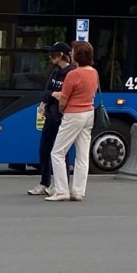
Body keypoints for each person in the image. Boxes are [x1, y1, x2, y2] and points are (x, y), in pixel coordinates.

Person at [46, 40, 100, 202]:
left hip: (73, 114)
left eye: (73, 51)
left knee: (57, 152)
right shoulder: (94, 72)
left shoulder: (73, 74)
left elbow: (64, 99)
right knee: (82, 155)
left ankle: (62, 190)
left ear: (77, 55)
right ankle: (78, 191)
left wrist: (62, 110)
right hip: (89, 113)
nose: (70, 53)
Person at [28, 42, 76, 196]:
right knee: (45, 149)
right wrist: (53, 95)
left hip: (63, 116)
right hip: (51, 115)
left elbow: (67, 95)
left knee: (62, 151)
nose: (50, 57)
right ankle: (44, 182)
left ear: (61, 55)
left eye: (53, 54)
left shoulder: (71, 73)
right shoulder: (55, 73)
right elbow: (46, 92)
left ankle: (61, 185)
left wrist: (53, 95)